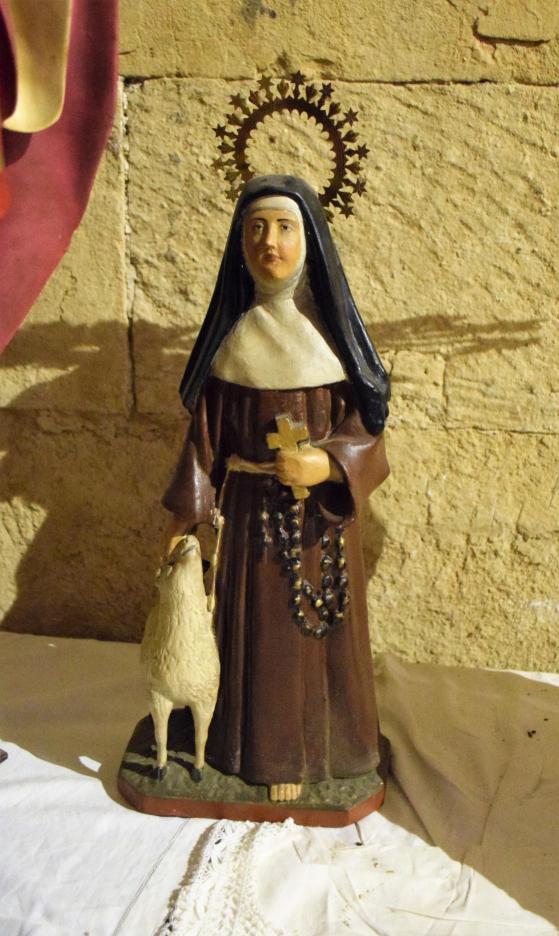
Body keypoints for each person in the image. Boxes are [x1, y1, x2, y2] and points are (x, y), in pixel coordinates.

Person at [162, 175, 390, 803]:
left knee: (312, 631)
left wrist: (328, 464)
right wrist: (185, 519)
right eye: (257, 228)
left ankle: (324, 750)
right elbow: (204, 444)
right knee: (260, 637)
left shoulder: (333, 343)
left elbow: (367, 432)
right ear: (240, 244)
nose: (270, 242)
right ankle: (256, 749)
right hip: (248, 520)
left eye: (285, 227)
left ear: (309, 241)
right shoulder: (230, 343)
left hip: (320, 523)